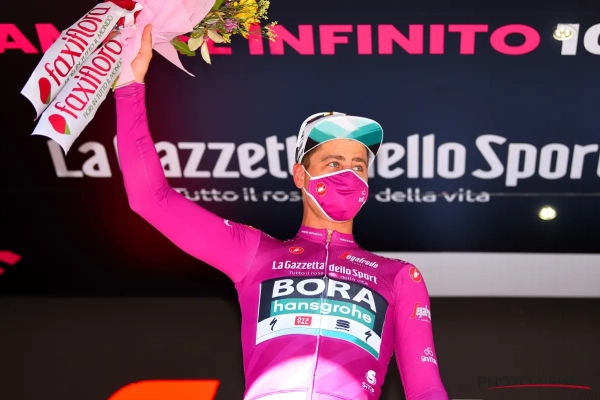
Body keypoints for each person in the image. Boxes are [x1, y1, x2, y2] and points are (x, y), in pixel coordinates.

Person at [113, 24, 448, 400]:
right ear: (301, 175)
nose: (348, 174)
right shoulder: (254, 253)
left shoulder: (399, 277)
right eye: (333, 162)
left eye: (358, 166)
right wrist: (129, 86)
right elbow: (151, 199)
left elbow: (426, 388)